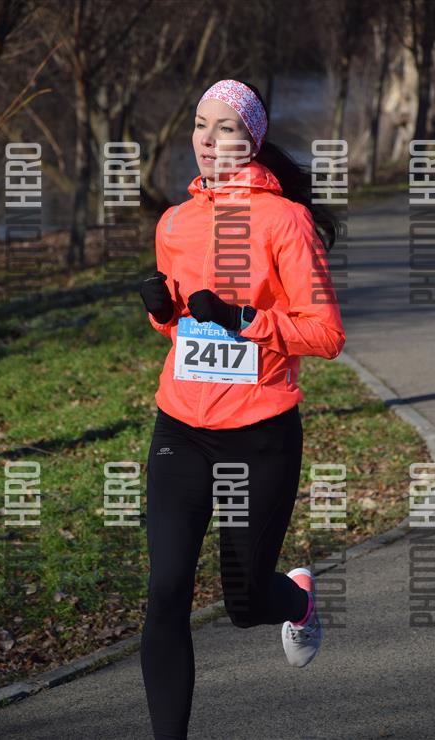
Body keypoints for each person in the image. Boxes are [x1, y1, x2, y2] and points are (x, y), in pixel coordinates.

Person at [139, 78, 346, 740]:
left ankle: (297, 600)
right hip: (180, 428)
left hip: (258, 435)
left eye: (225, 127)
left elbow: (326, 334)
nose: (207, 139)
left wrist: (243, 318)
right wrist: (162, 313)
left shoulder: (284, 221)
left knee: (246, 600)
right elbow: (182, 335)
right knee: (166, 592)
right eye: (200, 124)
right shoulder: (174, 223)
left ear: (251, 139)